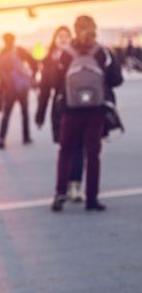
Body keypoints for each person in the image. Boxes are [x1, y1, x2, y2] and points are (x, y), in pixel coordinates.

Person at [51, 15, 123, 212]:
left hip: (70, 110)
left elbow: (56, 83)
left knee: (66, 151)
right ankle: (92, 198)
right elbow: (116, 79)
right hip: (95, 110)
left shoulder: (64, 54)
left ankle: (60, 194)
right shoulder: (103, 52)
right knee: (93, 154)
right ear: (94, 28)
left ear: (75, 29)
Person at [36, 26, 84, 202]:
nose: (64, 39)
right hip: (60, 108)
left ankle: (76, 187)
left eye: (67, 36)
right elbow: (44, 90)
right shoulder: (49, 60)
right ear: (54, 39)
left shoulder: (78, 56)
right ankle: (64, 188)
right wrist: (39, 116)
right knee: (66, 148)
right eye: (60, 36)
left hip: (78, 107)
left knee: (78, 148)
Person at [0, 33, 38, 149]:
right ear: (14, 40)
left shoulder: (2, 53)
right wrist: (31, 76)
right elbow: (33, 62)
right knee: (24, 112)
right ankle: (26, 137)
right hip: (22, 87)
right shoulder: (19, 50)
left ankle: (1, 138)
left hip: (9, 89)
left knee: (6, 114)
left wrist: (5, 83)